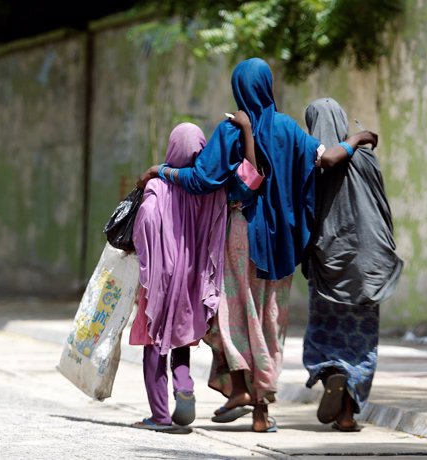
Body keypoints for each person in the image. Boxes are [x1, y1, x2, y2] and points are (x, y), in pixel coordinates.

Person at [138, 58, 378, 432]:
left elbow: (202, 179)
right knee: (269, 322)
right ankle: (262, 410)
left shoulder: (231, 129)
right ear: (268, 85)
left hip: (240, 234)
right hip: (282, 241)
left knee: (233, 317)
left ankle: (240, 389)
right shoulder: (288, 129)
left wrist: (162, 170)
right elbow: (328, 158)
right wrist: (357, 139)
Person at [302, 97, 404, 432]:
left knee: (325, 332)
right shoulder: (366, 160)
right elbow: (380, 205)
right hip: (368, 262)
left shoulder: (309, 163)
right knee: (360, 341)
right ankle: (346, 415)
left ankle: (333, 371)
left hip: (327, 262)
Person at [129, 122, 228, 431]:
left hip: (161, 275)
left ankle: (159, 416)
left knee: (154, 342)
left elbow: (144, 222)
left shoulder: (158, 185)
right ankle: (183, 385)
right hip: (192, 277)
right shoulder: (207, 190)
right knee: (180, 337)